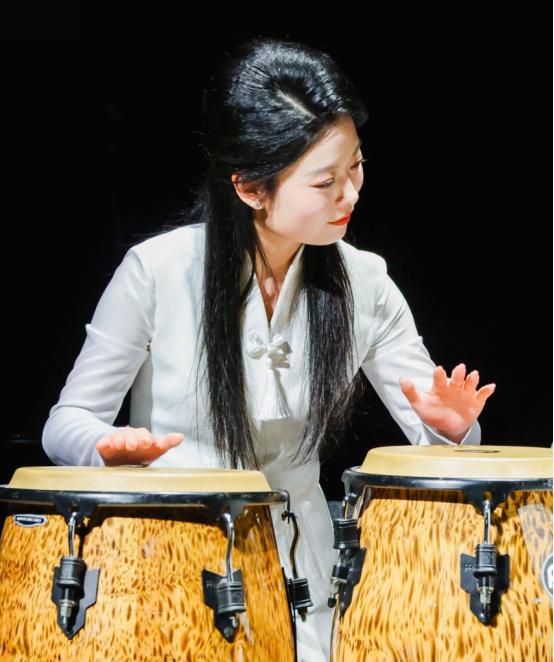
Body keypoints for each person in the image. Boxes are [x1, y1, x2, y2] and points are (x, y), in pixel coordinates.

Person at [42, 37, 496, 662]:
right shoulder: (157, 270)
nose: (350, 193)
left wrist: (449, 431)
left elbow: (443, 451)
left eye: (356, 166)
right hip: (171, 560)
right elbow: (64, 424)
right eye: (325, 181)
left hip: (308, 567)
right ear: (251, 189)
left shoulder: (365, 281)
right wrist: (104, 446)